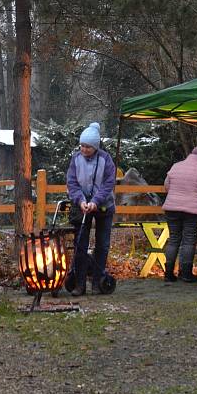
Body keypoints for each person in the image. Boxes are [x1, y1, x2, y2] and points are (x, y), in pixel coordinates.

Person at [66, 122, 117, 296]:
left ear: (95, 147)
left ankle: (97, 282)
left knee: (102, 244)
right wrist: (80, 200)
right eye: (82, 145)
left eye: (88, 146)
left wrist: (96, 201)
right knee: (80, 244)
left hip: (104, 206)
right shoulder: (75, 159)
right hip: (82, 207)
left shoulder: (106, 159)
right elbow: (72, 183)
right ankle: (79, 284)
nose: (84, 149)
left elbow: (108, 183)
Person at [161, 145, 197, 283]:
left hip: (172, 208)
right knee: (189, 240)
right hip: (192, 210)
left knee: (174, 239)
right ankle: (185, 274)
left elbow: (167, 185)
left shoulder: (176, 166)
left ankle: (168, 273)